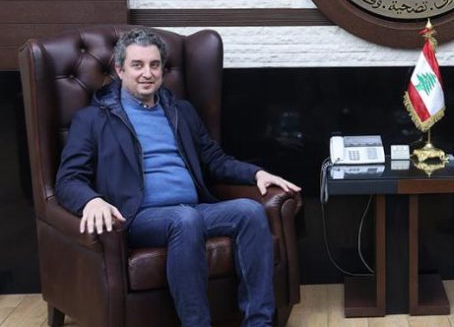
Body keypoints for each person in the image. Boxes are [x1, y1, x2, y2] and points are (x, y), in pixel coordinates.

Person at [56, 28, 301, 327]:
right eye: (137, 65)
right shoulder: (92, 119)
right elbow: (68, 179)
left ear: (162, 70)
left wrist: (256, 173)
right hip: (139, 215)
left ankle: (259, 323)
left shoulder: (180, 111)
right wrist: (91, 201)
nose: (147, 73)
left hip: (194, 209)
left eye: (154, 65)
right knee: (185, 219)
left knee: (250, 211)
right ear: (120, 70)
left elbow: (214, 160)